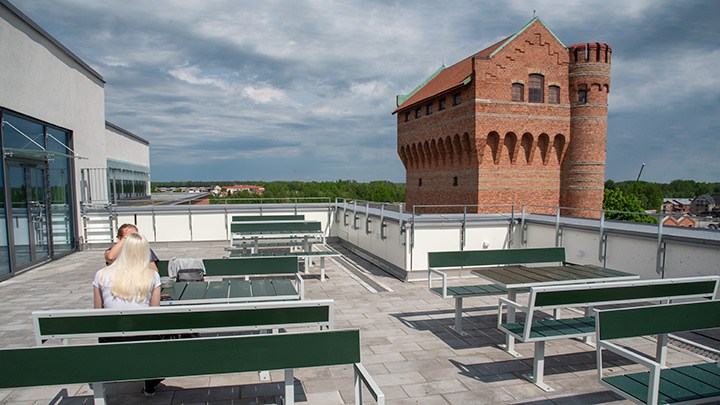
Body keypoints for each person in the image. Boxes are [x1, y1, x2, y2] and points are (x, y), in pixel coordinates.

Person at [93, 232, 163, 396]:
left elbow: (97, 313)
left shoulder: (101, 274)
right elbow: (156, 313)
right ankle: (151, 383)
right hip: (144, 338)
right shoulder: (153, 276)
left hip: (111, 339)